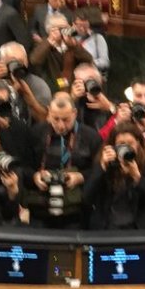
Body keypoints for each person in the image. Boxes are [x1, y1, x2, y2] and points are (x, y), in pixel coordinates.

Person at [23, 92, 102, 229]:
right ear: (49, 112)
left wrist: (81, 177)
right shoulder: (36, 133)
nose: (60, 125)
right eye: (56, 119)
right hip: (40, 209)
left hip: (76, 211)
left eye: (66, 119)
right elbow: (23, 166)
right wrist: (35, 176)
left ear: (75, 113)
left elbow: (100, 171)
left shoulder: (91, 137)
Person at [85, 122, 145, 229]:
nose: (126, 148)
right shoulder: (104, 162)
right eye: (121, 144)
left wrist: (137, 177)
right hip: (106, 226)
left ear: (138, 143)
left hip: (136, 227)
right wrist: (102, 168)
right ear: (113, 145)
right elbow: (87, 196)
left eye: (130, 143)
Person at [30, 12, 94, 90]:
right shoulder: (42, 44)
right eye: (61, 28)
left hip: (73, 87)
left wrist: (74, 46)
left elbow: (89, 59)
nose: (66, 30)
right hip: (51, 87)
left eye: (66, 27)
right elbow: (34, 61)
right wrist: (49, 42)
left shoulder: (71, 43)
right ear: (51, 30)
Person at [69, 62, 112, 131]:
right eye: (83, 82)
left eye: (91, 79)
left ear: (100, 80)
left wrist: (109, 107)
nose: (89, 84)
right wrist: (72, 99)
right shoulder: (76, 102)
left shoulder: (110, 96)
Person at [72, 8, 109, 78]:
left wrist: (90, 62)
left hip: (91, 75)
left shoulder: (97, 38)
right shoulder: (70, 39)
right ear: (73, 24)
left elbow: (105, 62)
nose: (82, 29)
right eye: (79, 26)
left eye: (85, 26)